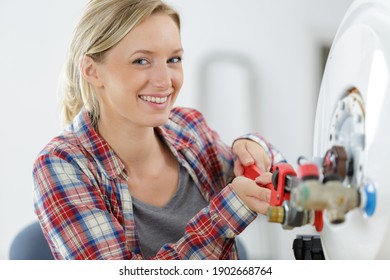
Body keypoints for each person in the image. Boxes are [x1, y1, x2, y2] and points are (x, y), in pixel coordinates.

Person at [32, 0, 286, 260]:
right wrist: (229, 212)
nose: (166, 81)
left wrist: (254, 148)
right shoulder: (61, 164)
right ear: (92, 70)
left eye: (173, 59)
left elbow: (272, 174)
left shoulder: (188, 128)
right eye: (141, 61)